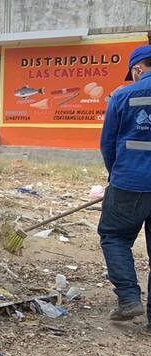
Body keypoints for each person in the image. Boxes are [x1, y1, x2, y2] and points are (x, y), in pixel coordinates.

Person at [98, 44, 151, 333]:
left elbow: (107, 143)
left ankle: (129, 298)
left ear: (137, 68)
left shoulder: (122, 94)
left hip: (129, 181)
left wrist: (115, 175)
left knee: (114, 236)